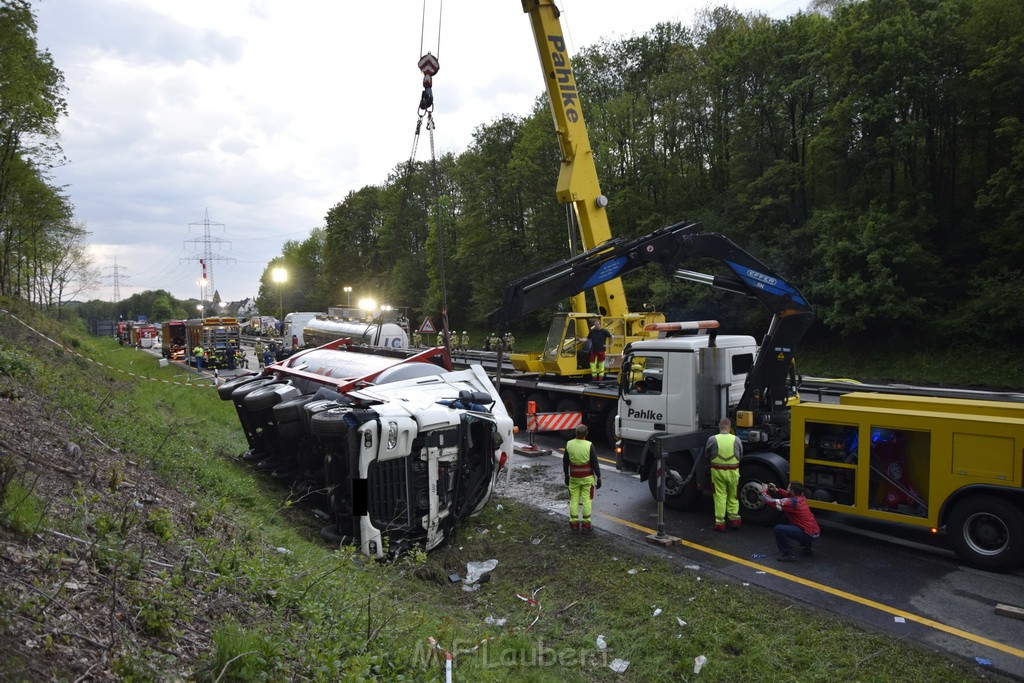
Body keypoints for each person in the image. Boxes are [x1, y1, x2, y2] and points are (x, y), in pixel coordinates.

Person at [760, 481, 820, 561]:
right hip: (815, 533)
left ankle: (788, 554)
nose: (787, 489)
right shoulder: (802, 498)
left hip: (807, 534)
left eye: (788, 488)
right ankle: (808, 547)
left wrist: (763, 491)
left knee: (779, 529)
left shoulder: (792, 503)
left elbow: (771, 501)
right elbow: (787, 494)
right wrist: (776, 490)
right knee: (797, 523)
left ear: (792, 491)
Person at [706, 417, 743, 532]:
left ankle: (720, 524)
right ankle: (735, 520)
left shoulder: (712, 439)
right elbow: (740, 455)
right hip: (733, 472)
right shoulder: (736, 439)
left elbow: (707, 454)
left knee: (720, 496)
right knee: (733, 496)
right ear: (730, 427)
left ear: (719, 427)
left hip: (717, 472)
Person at [563, 424, 602, 531]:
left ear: (575, 433)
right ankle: (586, 524)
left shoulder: (569, 444)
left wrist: (566, 475)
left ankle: (574, 523)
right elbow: (594, 463)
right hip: (587, 478)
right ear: (586, 434)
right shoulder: (589, 445)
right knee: (587, 500)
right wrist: (599, 477)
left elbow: (565, 462)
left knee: (574, 499)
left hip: (574, 477)